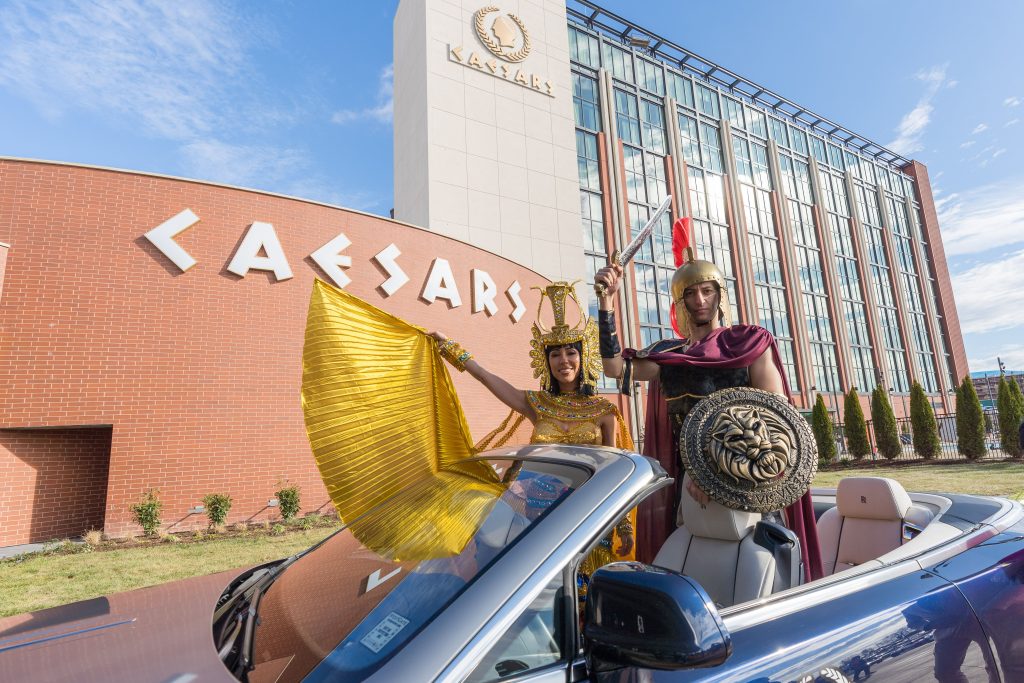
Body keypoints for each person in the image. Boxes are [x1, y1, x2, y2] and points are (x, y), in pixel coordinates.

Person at [593, 218, 823, 580]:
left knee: (763, 574)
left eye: (707, 290)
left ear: (719, 294)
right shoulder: (668, 356)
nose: (700, 300)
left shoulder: (748, 343)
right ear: (680, 302)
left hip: (748, 480)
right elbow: (613, 367)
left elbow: (778, 418)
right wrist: (606, 303)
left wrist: (719, 470)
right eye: (691, 293)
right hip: (689, 493)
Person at [432, 281, 635, 572]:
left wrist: (623, 525)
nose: (563, 361)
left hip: (585, 514)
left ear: (583, 356)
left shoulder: (604, 411)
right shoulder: (536, 404)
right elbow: (487, 378)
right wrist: (450, 348)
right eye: (555, 354)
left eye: (571, 352)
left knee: (580, 588)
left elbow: (613, 472)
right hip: (533, 516)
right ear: (546, 361)